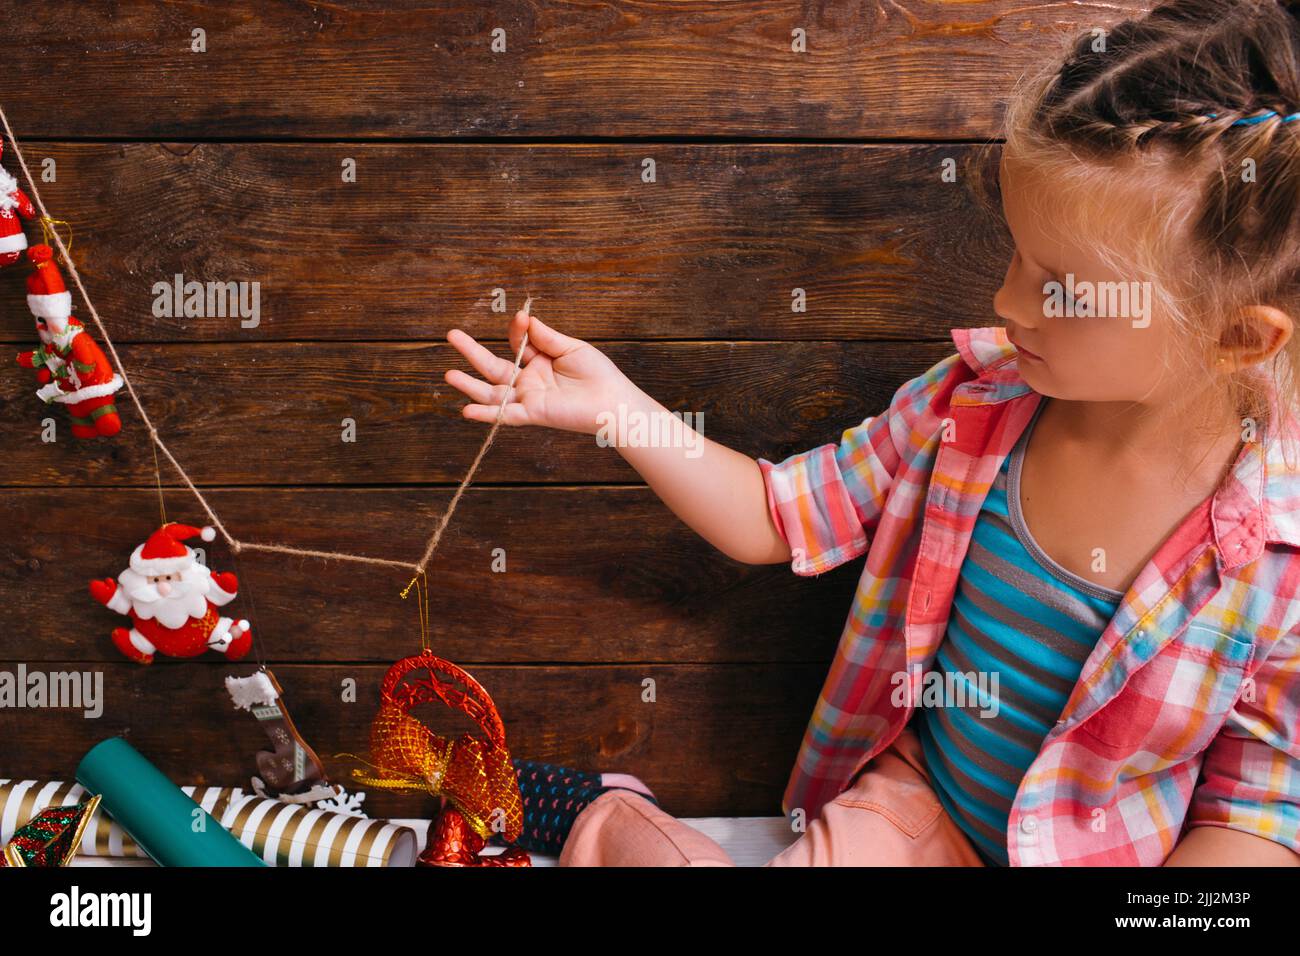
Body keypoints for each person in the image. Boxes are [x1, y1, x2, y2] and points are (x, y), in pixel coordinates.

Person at [456, 0, 1300, 865]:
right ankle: (611, 823)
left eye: (1066, 293)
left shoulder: (1283, 557)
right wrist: (619, 412)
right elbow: (776, 514)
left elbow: (1260, 812)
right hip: (912, 821)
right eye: (1017, 255)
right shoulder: (968, 410)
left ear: (1237, 337)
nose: (1008, 305)